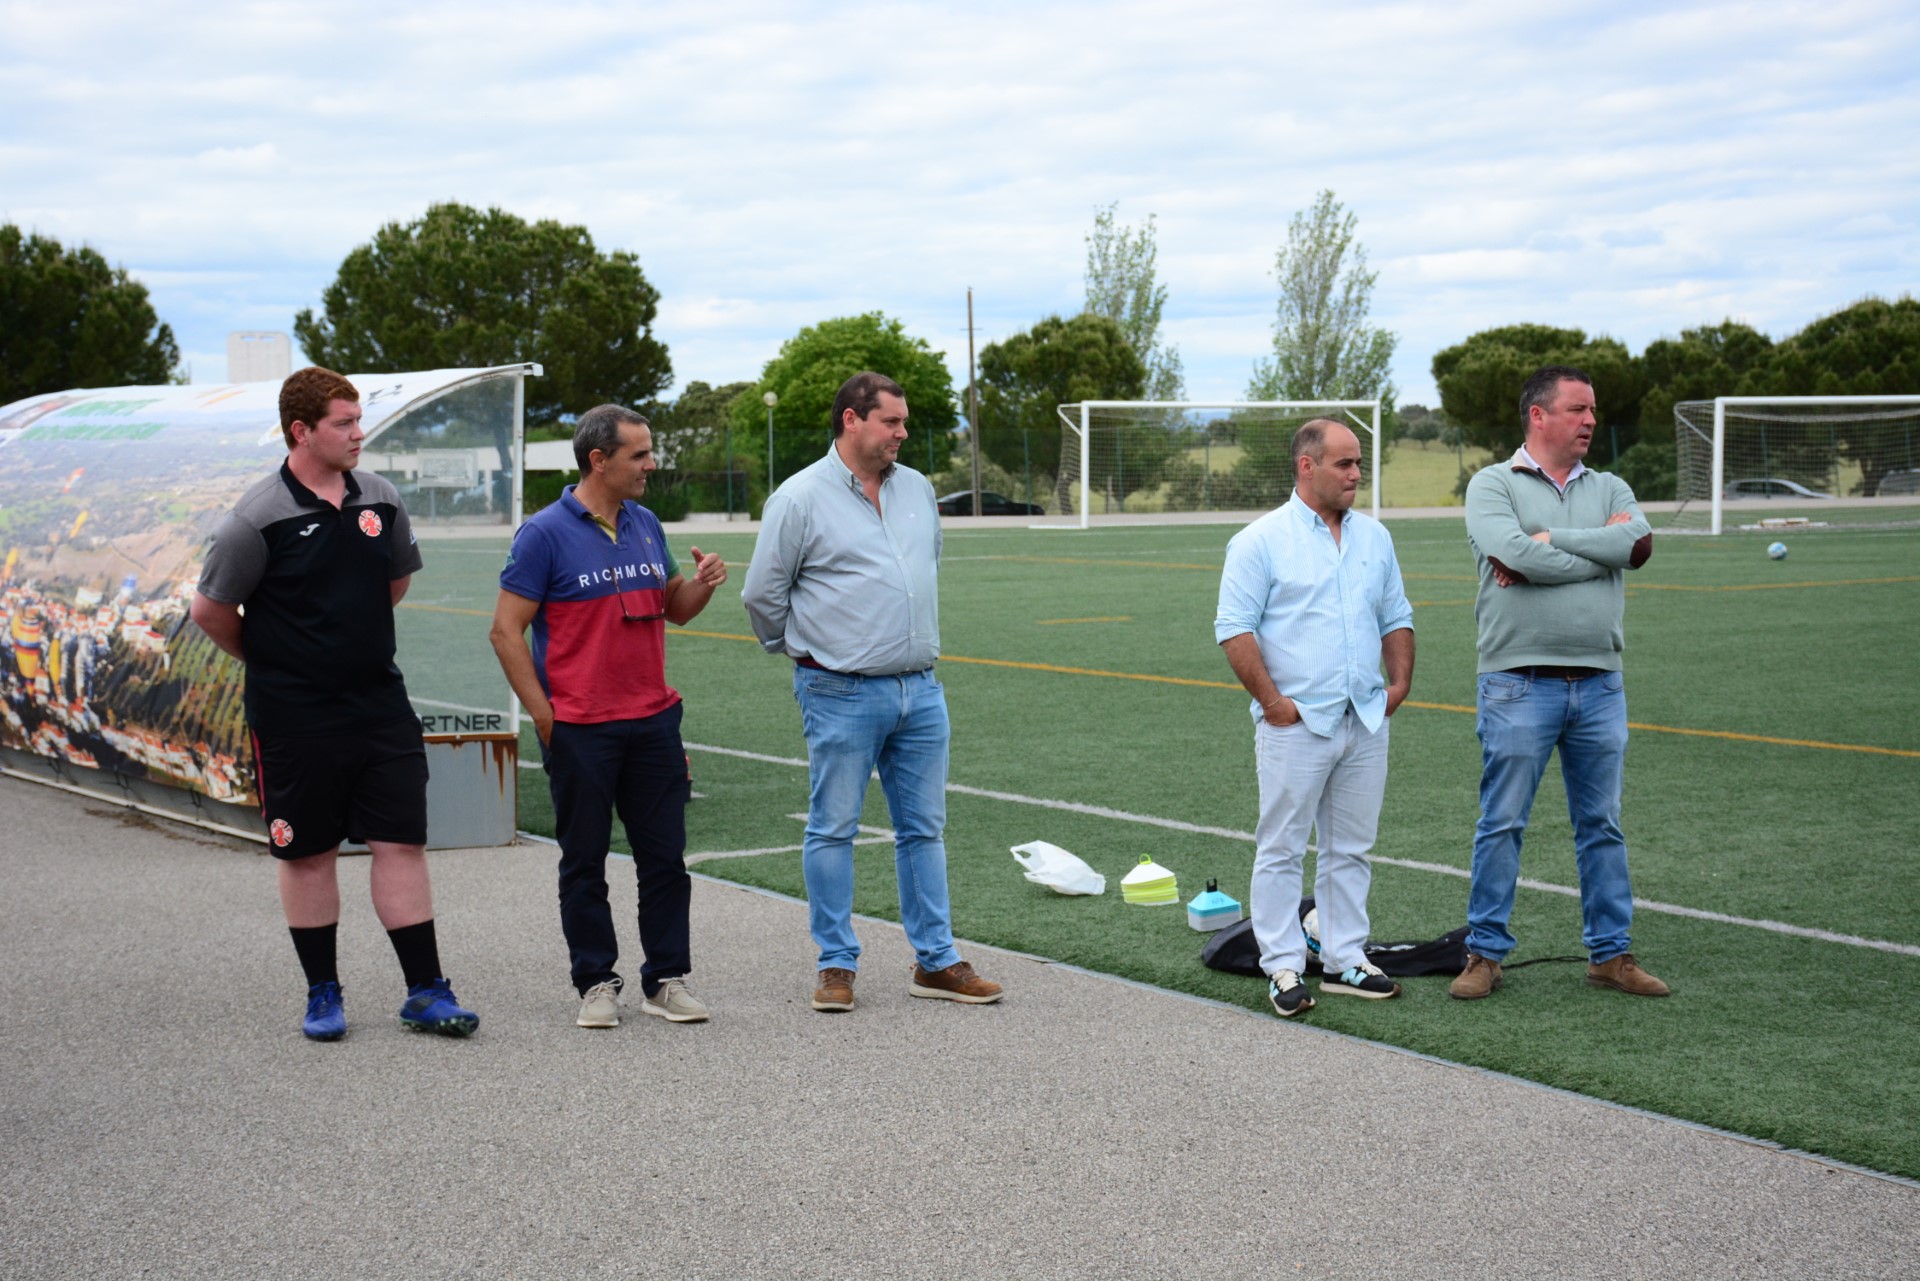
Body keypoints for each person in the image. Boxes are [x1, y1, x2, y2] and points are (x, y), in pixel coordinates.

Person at [191, 366, 478, 1041]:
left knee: (401, 842)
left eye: (358, 419)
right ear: (301, 431)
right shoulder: (256, 517)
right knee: (308, 854)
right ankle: (323, 993)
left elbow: (394, 582)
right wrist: (281, 661)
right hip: (293, 717)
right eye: (344, 423)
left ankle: (426, 991)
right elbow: (209, 610)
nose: (359, 433)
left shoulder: (378, 497)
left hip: (379, 705)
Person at [740, 371, 1002, 1013]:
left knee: (925, 830)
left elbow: (925, 566)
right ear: (852, 420)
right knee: (833, 828)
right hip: (839, 690)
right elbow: (761, 594)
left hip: (920, 690)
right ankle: (836, 964)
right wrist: (801, 652)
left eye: (903, 422)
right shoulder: (799, 497)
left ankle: (936, 961)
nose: (903, 433)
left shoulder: (916, 489)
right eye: (892, 422)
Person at [489, 404, 726, 1029]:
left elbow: (674, 607)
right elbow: (505, 632)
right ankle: (596, 982)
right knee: (584, 862)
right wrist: (545, 718)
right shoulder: (542, 533)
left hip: (653, 722)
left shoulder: (647, 522)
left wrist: (702, 584)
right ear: (600, 460)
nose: (652, 464)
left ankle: (666, 980)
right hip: (580, 729)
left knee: (665, 861)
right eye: (639, 455)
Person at [1452, 365, 1667, 1000]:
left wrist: (1556, 542)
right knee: (1503, 821)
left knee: (1601, 823)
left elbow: (1640, 545)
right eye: (1578, 410)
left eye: (1592, 411)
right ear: (1538, 416)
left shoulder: (1609, 485)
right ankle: (1484, 954)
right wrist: (1594, 556)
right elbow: (1514, 555)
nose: (1591, 421)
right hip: (1517, 683)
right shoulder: (1492, 484)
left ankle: (1611, 955)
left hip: (1601, 684)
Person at [1214, 420, 1415, 1018]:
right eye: (1345, 464)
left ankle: (1345, 958)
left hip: (1364, 719)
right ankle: (1280, 965)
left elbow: (1396, 613)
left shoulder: (1375, 538)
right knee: (1280, 847)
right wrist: (1276, 704)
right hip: (1296, 725)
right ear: (1307, 466)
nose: (1357, 475)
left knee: (1351, 847)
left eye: (1359, 465)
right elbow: (1234, 628)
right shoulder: (1259, 540)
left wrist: (1399, 684)